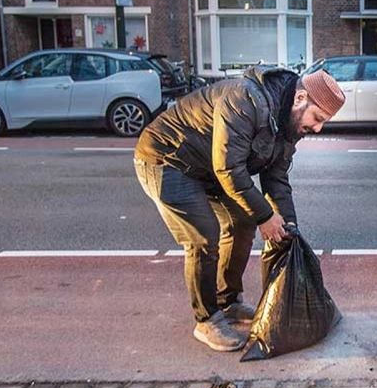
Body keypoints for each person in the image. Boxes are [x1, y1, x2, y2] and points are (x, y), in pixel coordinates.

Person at [133, 66, 346, 350]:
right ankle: (207, 320)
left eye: (323, 123)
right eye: (317, 118)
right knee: (203, 236)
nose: (317, 128)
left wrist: (288, 225)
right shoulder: (244, 100)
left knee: (242, 223)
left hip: (209, 169)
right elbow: (229, 169)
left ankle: (229, 302)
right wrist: (266, 216)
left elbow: (277, 179)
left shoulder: (289, 125)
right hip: (167, 159)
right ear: (300, 99)